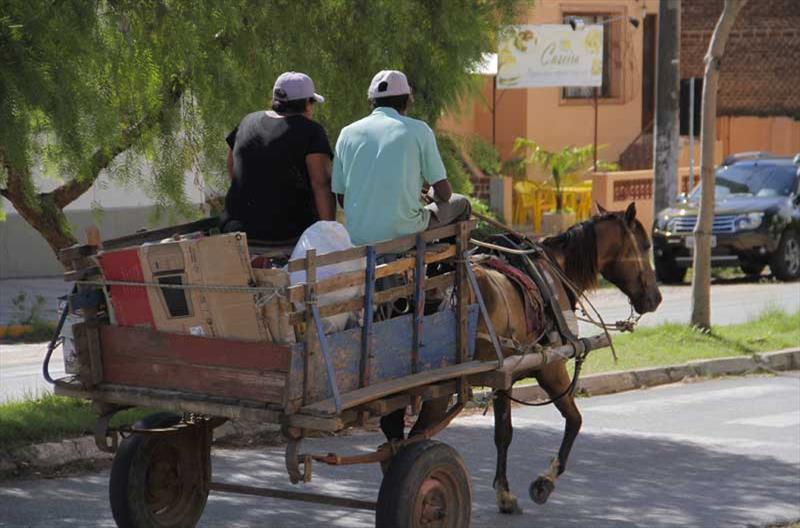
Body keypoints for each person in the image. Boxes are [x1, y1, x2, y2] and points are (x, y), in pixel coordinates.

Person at [332, 70, 470, 246]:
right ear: (407, 100)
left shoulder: (346, 133)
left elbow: (343, 200)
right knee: (462, 203)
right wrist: (431, 194)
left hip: (359, 239)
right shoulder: (420, 131)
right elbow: (445, 193)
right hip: (404, 235)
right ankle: (448, 265)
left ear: (371, 101)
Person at [222, 71, 335, 243]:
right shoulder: (311, 131)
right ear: (307, 103)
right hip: (287, 233)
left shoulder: (247, 121)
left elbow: (232, 166)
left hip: (236, 228)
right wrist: (329, 234)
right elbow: (321, 184)